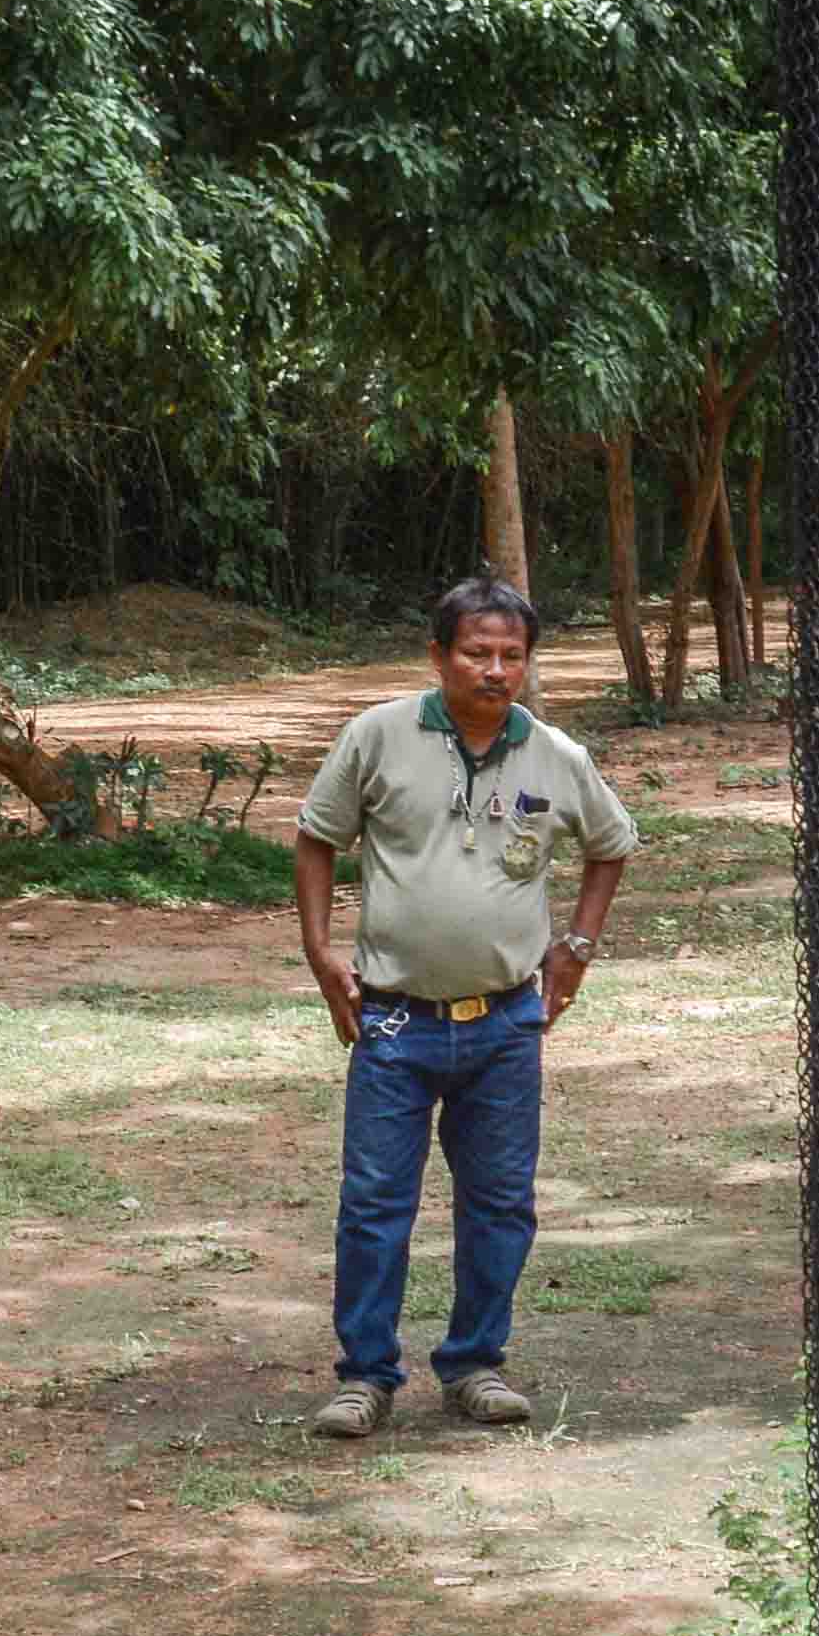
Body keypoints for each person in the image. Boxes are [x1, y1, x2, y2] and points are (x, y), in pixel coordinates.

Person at [291, 576, 639, 1440]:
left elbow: (610, 844)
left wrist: (578, 945)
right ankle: (365, 1375)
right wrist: (320, 950)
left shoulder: (553, 754)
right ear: (438, 655)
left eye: (511, 655)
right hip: (393, 1022)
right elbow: (317, 836)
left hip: (505, 1023)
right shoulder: (377, 736)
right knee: (374, 1204)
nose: (494, 670)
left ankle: (475, 1364)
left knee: (499, 1200)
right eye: (476, 652)